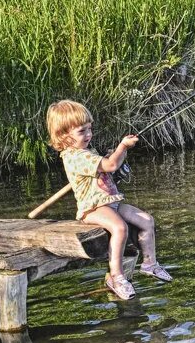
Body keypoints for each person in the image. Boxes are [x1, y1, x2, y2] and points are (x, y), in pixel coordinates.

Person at [46, 100, 172, 300]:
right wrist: (122, 146)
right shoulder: (74, 157)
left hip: (110, 202)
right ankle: (116, 277)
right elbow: (111, 165)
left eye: (89, 129)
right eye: (82, 131)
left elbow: (109, 164)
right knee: (120, 228)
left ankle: (150, 264)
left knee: (146, 220)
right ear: (63, 135)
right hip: (93, 208)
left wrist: (116, 155)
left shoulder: (87, 152)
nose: (89, 134)